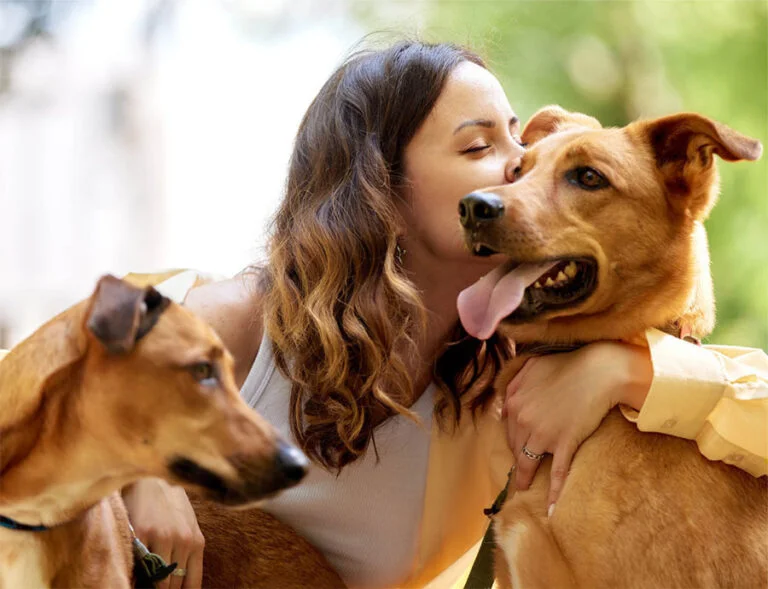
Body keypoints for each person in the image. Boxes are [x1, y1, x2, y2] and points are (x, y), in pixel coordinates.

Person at [119, 39, 768, 589]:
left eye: (518, 140)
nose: (519, 167)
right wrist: (132, 465)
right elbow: (41, 381)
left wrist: (625, 373)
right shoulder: (244, 321)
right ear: (382, 188)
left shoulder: (502, 389)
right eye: (478, 146)